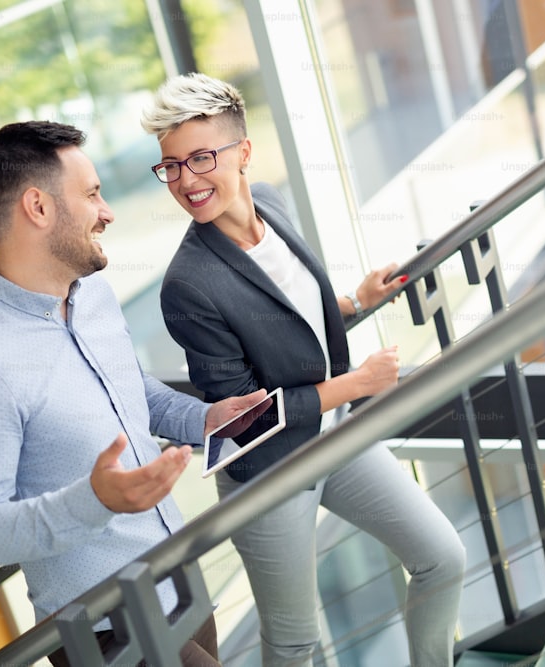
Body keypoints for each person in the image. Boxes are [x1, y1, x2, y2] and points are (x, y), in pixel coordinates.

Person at [141, 73, 466, 667]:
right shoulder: (187, 285)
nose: (186, 180)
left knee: (443, 557)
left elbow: (288, 317)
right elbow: (244, 417)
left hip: (332, 439)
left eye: (201, 157)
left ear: (243, 152)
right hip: (267, 475)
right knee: (295, 643)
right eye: (171, 166)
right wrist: (357, 384)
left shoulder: (271, 202)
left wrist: (353, 303)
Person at [0, 120, 265, 667]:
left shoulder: (94, 297)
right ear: (37, 207)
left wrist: (203, 419)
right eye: (91, 195)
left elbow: (128, 390)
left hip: (179, 583)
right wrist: (95, 502)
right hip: (106, 632)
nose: (107, 212)